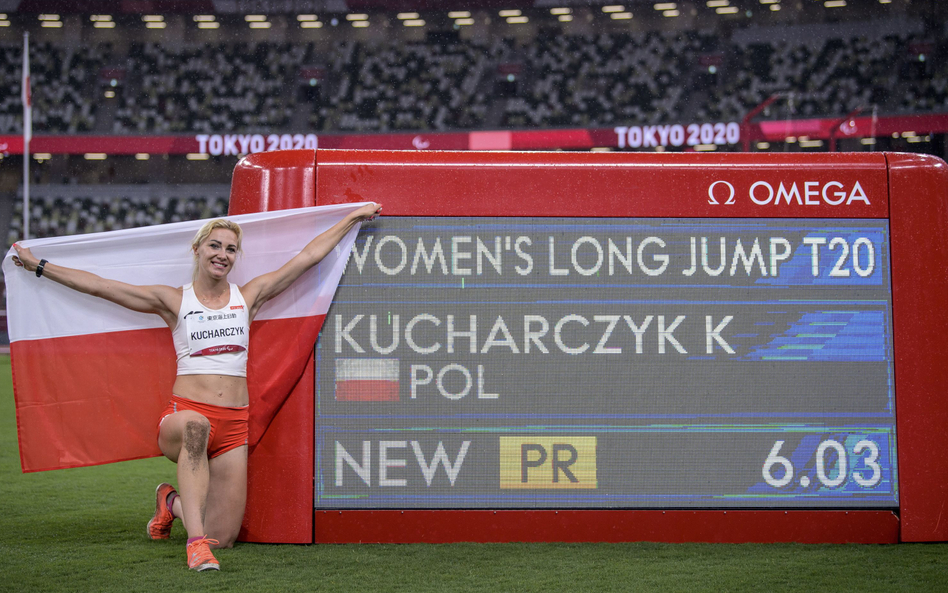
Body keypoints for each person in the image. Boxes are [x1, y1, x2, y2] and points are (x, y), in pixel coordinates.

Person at [10, 202, 381, 571]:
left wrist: (351, 218)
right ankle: (195, 546)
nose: (222, 255)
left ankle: (168, 502)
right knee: (196, 427)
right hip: (184, 418)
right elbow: (102, 287)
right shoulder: (174, 300)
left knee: (226, 536)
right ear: (198, 250)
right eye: (215, 246)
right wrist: (39, 265)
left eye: (230, 249)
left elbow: (307, 257)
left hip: (234, 425)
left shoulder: (247, 297)